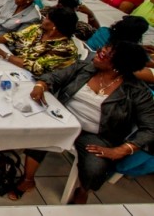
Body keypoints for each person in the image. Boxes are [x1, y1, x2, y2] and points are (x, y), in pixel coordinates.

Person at [10, 42, 154, 204]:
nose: (98, 54)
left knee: (95, 168)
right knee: (40, 136)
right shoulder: (84, 68)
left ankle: (83, 190)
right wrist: (40, 85)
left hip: (98, 135)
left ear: (120, 65)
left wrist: (122, 150)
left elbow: (150, 128)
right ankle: (28, 179)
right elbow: (54, 76)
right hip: (64, 120)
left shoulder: (137, 91)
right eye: (101, 50)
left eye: (105, 55)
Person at [0, 7, 79, 75]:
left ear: (54, 26)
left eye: (46, 19)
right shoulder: (38, 29)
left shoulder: (66, 49)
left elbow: (36, 67)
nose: (43, 20)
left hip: (31, 78)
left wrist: (4, 54)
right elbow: (13, 36)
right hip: (12, 63)